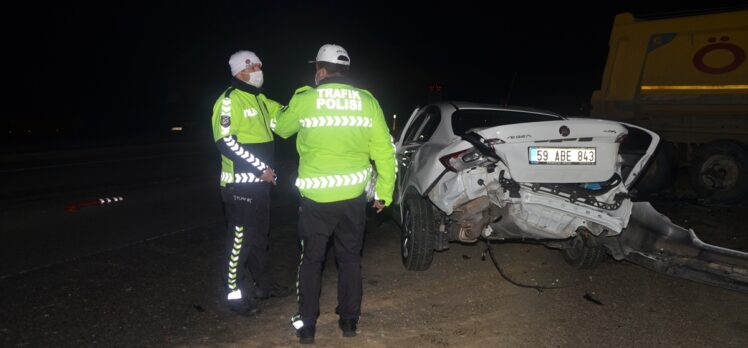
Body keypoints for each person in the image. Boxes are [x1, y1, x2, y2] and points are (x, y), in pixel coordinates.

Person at [274, 44, 396, 344]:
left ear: (321, 71)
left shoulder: (306, 98)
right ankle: (350, 321)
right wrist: (384, 193)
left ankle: (307, 326)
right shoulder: (367, 101)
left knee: (312, 261)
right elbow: (385, 150)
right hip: (353, 199)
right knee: (350, 259)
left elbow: (280, 128)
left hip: (316, 201)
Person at [210, 50, 292, 316]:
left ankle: (264, 286)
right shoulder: (228, 100)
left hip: (260, 185)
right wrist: (261, 168)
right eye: (253, 66)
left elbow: (287, 119)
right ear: (239, 72)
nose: (259, 70)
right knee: (239, 242)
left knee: (260, 238)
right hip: (239, 185)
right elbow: (225, 142)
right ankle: (234, 294)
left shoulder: (262, 100)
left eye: (260, 65)